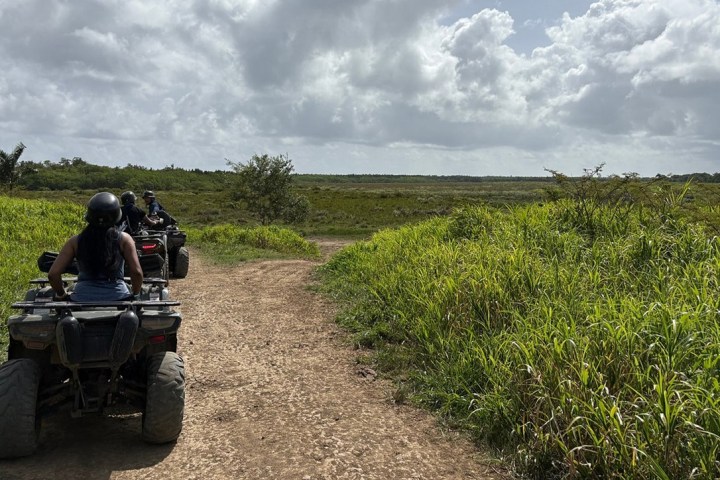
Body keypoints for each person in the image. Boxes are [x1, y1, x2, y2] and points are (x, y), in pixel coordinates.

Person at [48, 192, 143, 302]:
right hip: (118, 297)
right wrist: (135, 294)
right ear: (116, 216)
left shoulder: (75, 241)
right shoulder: (125, 239)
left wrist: (62, 294)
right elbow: (136, 272)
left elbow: (53, 274)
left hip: (81, 298)